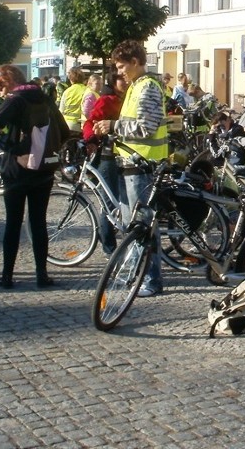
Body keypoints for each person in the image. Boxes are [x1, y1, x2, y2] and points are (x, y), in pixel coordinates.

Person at [93, 40, 169, 298]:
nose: (119, 72)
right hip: (131, 164)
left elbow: (146, 127)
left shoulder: (147, 87)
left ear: (136, 62)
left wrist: (112, 127)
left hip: (143, 166)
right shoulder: (136, 86)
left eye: (122, 65)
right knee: (133, 226)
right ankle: (136, 274)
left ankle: (150, 280)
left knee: (142, 226)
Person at [0, 65, 70, 289]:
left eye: (2, 88)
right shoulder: (45, 98)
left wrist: (7, 145)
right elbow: (64, 130)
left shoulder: (15, 100)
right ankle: (41, 275)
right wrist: (45, 151)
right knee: (38, 222)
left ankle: (7, 276)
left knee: (13, 223)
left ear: (8, 82)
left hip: (17, 169)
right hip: (44, 170)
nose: (3, 93)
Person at [82, 71, 127, 255]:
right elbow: (90, 122)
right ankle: (109, 248)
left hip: (125, 156)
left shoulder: (128, 96)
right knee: (109, 202)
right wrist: (92, 139)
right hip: (109, 157)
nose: (124, 81)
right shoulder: (107, 100)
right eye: (120, 79)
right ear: (112, 81)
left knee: (122, 201)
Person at [58, 67, 87, 132]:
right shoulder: (86, 90)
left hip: (67, 124)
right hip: (81, 124)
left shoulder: (67, 91)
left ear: (70, 79)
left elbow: (61, 110)